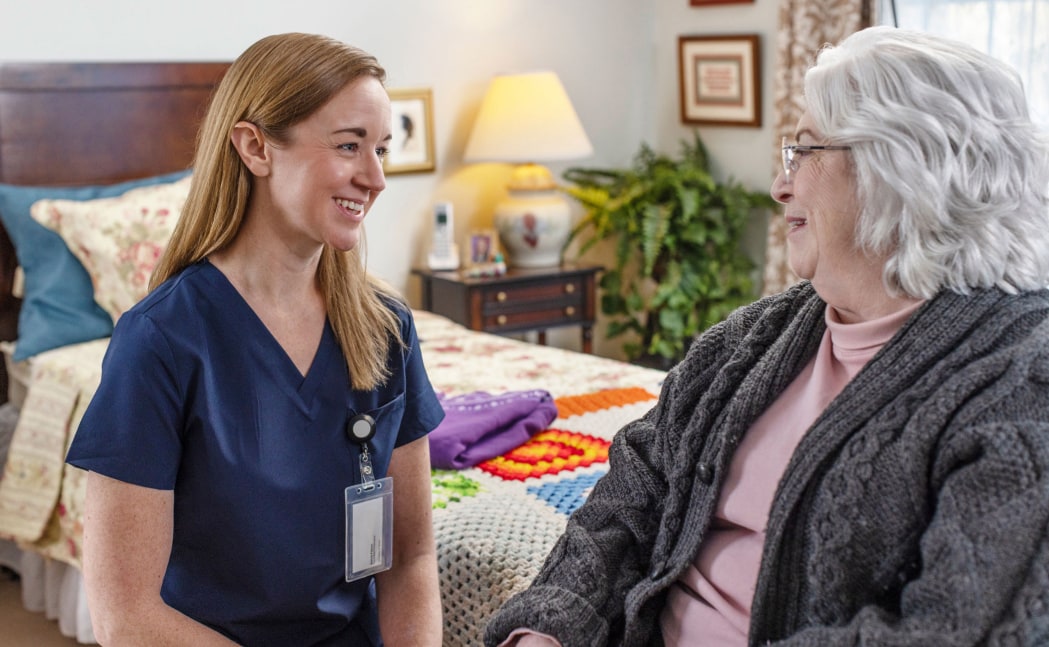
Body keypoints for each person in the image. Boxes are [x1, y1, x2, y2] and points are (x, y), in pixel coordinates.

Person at [485, 25, 1049, 647]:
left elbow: (951, 630)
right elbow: (632, 491)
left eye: (804, 152)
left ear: (901, 168)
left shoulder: (1022, 380)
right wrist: (549, 625)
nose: (781, 186)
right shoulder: (756, 335)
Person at [65, 33, 445, 646]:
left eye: (381, 149)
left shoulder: (386, 329)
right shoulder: (161, 341)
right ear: (254, 147)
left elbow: (410, 559)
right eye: (349, 145)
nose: (374, 178)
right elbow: (125, 617)